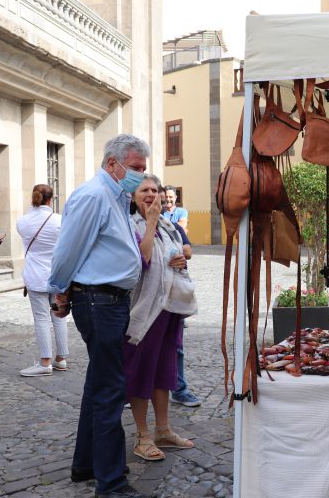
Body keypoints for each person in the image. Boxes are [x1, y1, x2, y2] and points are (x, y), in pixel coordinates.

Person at [49, 134, 150, 498]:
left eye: (142, 168)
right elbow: (67, 251)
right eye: (135, 168)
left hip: (110, 301)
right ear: (113, 163)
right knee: (110, 390)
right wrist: (59, 290)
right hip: (99, 302)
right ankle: (112, 483)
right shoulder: (93, 195)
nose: (140, 175)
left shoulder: (116, 196)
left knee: (99, 385)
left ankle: (86, 464)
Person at [124, 174, 195, 462]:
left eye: (155, 189)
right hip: (144, 309)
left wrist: (182, 257)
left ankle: (163, 429)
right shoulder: (129, 225)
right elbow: (141, 259)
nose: (152, 194)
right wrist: (151, 222)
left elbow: (184, 249)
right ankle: (142, 436)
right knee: (141, 371)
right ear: (133, 196)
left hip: (170, 307)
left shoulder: (169, 225)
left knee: (164, 370)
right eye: (145, 190)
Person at [16, 184, 68, 377]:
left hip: (35, 276)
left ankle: (45, 361)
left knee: (41, 318)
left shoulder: (22, 221)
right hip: (56, 274)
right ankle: (61, 358)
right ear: (50, 199)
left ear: (33, 198)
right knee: (59, 315)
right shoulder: (60, 221)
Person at [162, 186, 201, 407]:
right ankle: (134, 390)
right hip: (144, 295)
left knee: (176, 346)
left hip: (173, 292)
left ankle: (179, 389)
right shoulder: (134, 225)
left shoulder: (173, 226)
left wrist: (174, 253)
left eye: (164, 200)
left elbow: (187, 252)